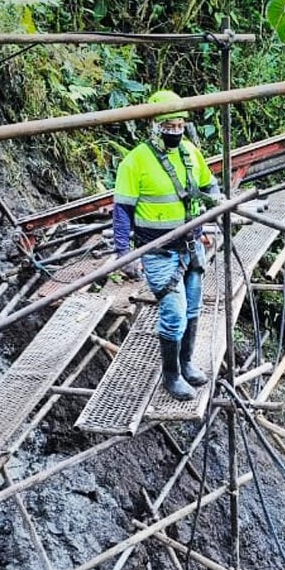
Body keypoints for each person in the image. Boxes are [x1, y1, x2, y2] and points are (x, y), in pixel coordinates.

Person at [113, 89, 221, 401]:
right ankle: (170, 376)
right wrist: (124, 254)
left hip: (191, 246)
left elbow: (207, 184)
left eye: (179, 126)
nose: (174, 131)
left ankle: (186, 363)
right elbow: (122, 211)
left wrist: (216, 204)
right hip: (158, 251)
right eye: (168, 126)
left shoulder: (189, 152)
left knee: (193, 307)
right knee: (174, 312)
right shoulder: (135, 162)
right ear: (155, 126)